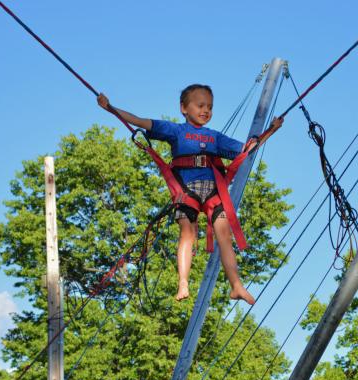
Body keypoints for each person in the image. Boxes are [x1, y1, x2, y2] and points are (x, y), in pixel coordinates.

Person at [97, 85, 282, 304]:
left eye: (210, 107)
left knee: (225, 236)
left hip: (214, 193)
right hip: (187, 192)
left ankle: (237, 285)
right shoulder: (176, 131)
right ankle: (183, 282)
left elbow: (247, 149)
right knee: (187, 234)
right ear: (184, 108)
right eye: (200, 105)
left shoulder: (215, 138)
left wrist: (271, 130)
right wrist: (110, 108)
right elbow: (139, 121)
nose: (206, 110)